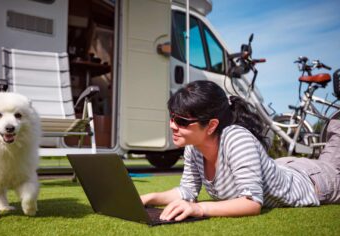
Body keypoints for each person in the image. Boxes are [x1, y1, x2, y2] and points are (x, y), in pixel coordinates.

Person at [140, 80, 340, 221]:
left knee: (336, 143)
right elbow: (186, 191)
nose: (173, 125)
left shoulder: (237, 138)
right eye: (173, 117)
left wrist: (199, 208)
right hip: (283, 168)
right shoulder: (194, 148)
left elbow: (251, 203)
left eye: (182, 121)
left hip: (315, 182)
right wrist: (149, 198)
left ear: (211, 126)